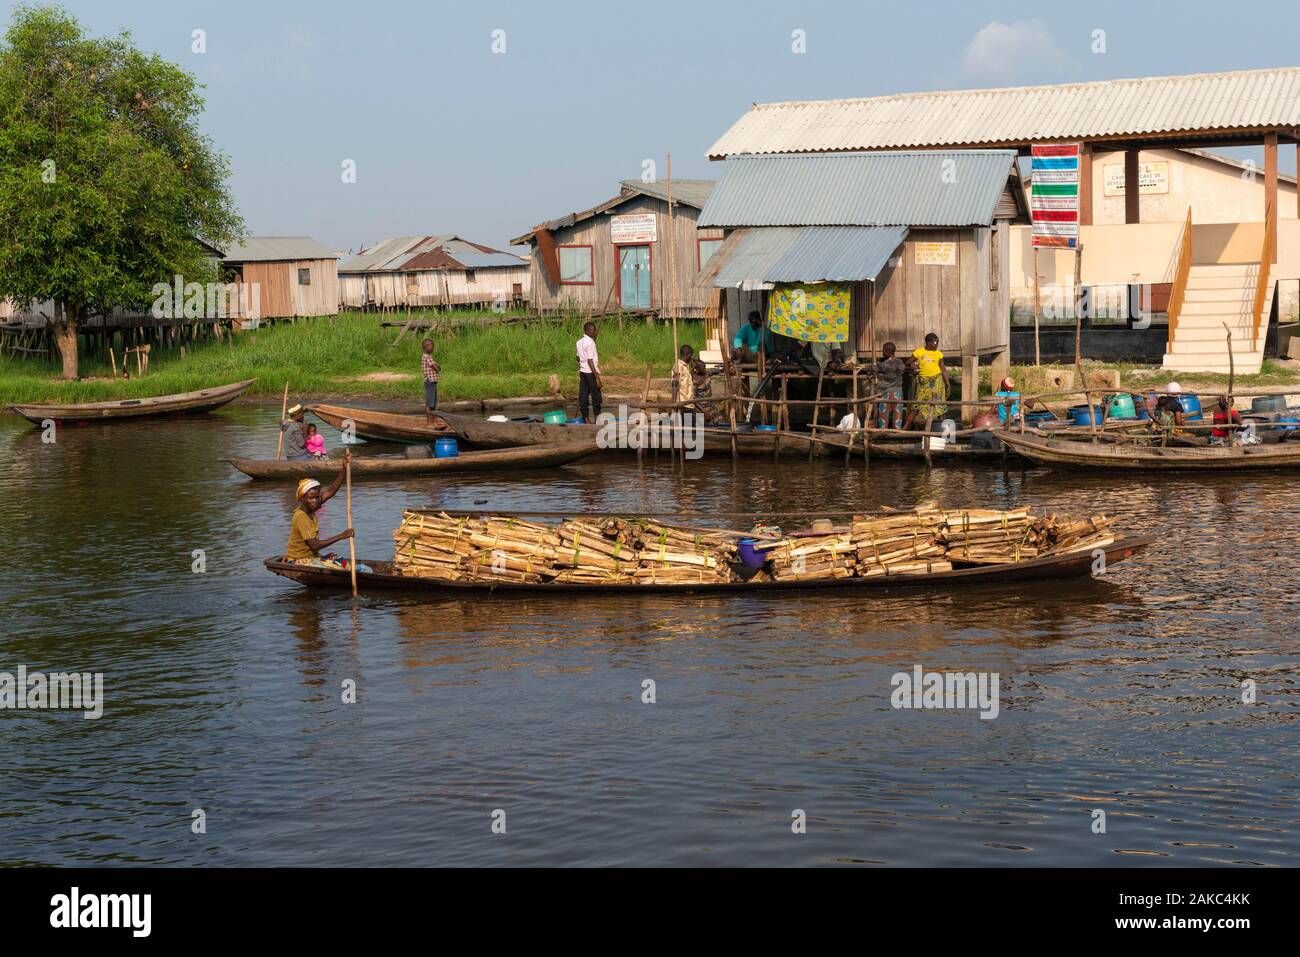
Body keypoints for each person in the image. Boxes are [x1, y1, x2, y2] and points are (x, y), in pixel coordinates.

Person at [284, 453, 355, 566]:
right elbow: (314, 545)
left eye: (317, 497)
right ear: (302, 499)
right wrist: (342, 535)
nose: (315, 500)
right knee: (340, 565)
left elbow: (331, 491)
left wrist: (344, 469)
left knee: (338, 559)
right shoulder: (301, 517)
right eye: (311, 498)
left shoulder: (311, 506)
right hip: (298, 560)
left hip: (312, 556)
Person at [906, 332, 950, 429]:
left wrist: (948, 384)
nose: (936, 345)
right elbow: (908, 361)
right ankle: (906, 428)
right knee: (917, 405)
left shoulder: (938, 354)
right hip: (923, 384)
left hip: (937, 382)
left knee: (940, 406)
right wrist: (913, 365)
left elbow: (943, 369)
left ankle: (943, 429)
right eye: (935, 342)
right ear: (928, 343)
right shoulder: (919, 352)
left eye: (937, 342)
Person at [873, 341, 909, 430]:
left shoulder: (883, 364)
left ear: (886, 352)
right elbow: (903, 369)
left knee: (883, 417)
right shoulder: (899, 362)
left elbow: (874, 368)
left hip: (885, 393)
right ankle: (897, 433)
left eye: (883, 351)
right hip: (898, 394)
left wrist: (874, 365)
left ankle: (882, 434)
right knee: (898, 416)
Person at [576, 321, 602, 421]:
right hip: (591, 373)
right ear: (589, 331)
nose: (595, 332)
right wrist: (597, 378)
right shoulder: (590, 343)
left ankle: (586, 419)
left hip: (583, 372)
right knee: (596, 397)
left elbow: (577, 357)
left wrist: (582, 361)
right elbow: (590, 361)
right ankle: (597, 418)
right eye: (594, 330)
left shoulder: (579, 342)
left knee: (583, 395)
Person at [421, 338, 441, 423]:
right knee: (429, 402)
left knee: (433, 402)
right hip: (429, 381)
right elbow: (437, 368)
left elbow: (438, 367)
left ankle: (433, 420)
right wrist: (437, 366)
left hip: (433, 381)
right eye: (432, 346)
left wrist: (437, 367)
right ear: (426, 347)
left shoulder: (429, 357)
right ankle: (429, 422)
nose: (433, 348)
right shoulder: (426, 357)